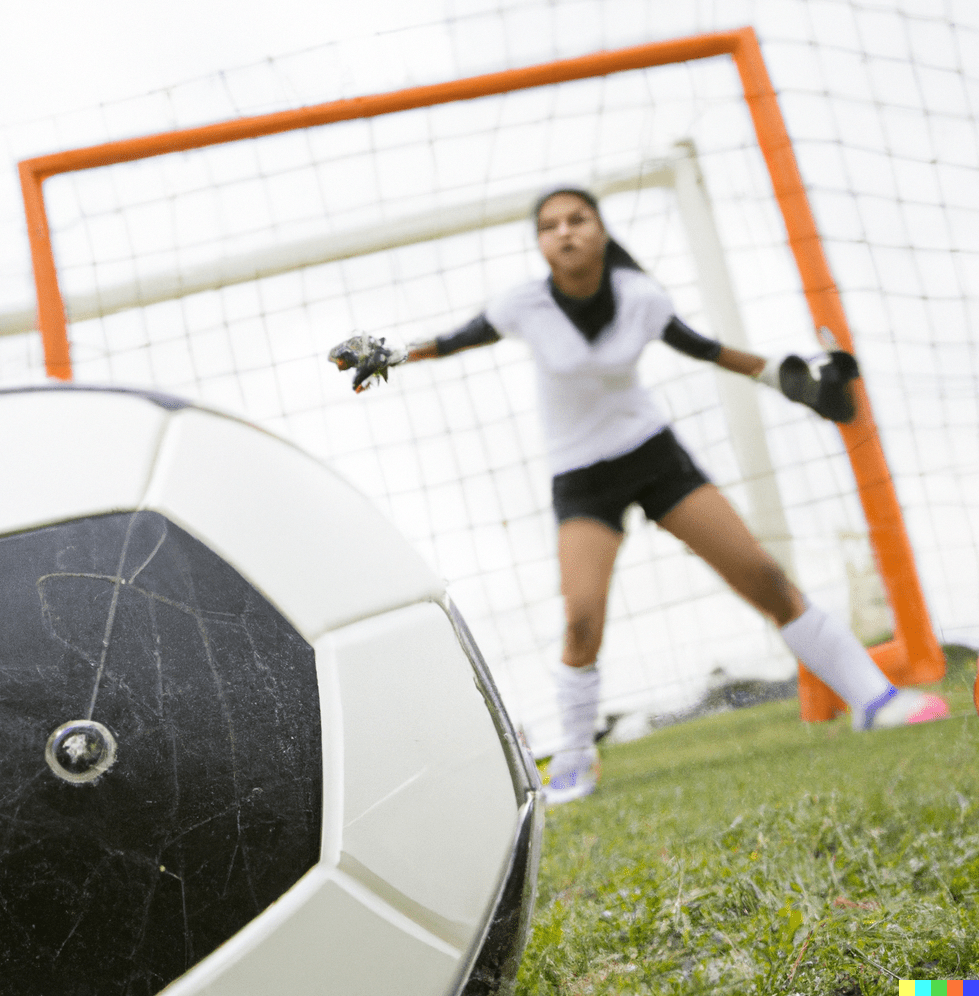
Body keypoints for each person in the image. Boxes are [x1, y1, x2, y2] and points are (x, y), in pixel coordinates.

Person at [402, 186, 948, 805]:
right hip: (582, 479)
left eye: (578, 219)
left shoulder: (641, 298)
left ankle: (874, 700)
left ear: (602, 232)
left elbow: (706, 349)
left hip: (655, 459)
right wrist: (394, 352)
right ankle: (576, 763)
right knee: (581, 620)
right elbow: (449, 342)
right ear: (539, 244)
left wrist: (787, 377)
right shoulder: (522, 305)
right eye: (550, 225)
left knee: (765, 578)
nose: (565, 231)